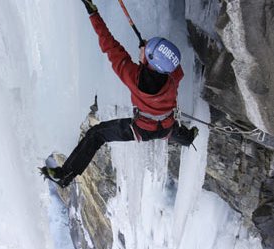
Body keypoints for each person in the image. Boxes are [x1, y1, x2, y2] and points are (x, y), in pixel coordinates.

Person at [40, 0, 198, 188]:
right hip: (167, 126)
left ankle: (64, 175)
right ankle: (187, 138)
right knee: (174, 132)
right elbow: (171, 66)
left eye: (146, 54)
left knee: (96, 134)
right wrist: (146, 57)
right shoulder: (173, 77)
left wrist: (93, 14)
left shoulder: (134, 77)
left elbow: (110, 45)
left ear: (150, 63)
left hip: (143, 129)